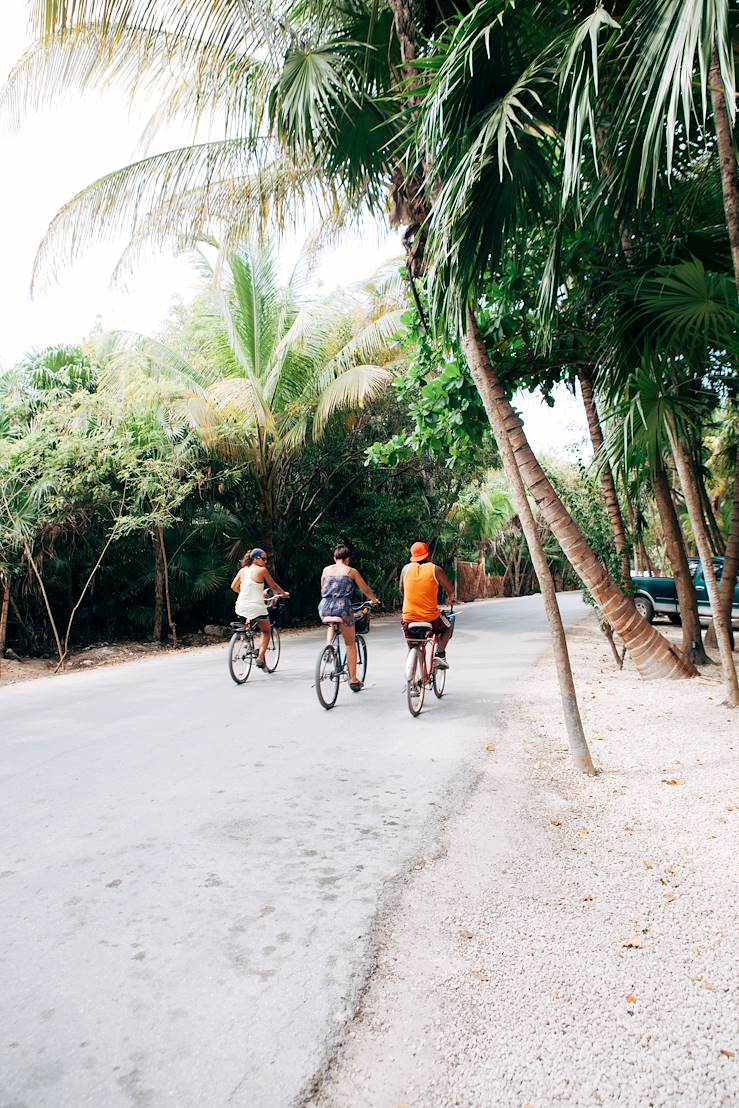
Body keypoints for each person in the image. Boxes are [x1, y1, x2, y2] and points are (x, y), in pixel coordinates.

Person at [319, 544, 379, 692]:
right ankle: (353, 679)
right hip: (343, 608)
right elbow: (365, 589)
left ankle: (329, 647)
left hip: (324, 607)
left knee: (332, 623)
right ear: (347, 559)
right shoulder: (351, 571)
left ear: (334, 558)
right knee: (350, 643)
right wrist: (374, 600)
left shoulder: (326, 570)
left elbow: (322, 588)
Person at [400, 541, 456, 669]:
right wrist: (451, 598)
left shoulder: (405, 569)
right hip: (431, 618)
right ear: (428, 555)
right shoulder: (435, 569)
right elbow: (450, 590)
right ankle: (440, 654)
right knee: (448, 625)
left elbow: (402, 589)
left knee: (413, 644)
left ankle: (414, 678)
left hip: (408, 619)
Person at [230, 549, 290, 669]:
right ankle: (260, 657)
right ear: (256, 558)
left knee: (249, 615)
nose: (265, 562)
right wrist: (283, 593)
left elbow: (233, 586)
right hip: (256, 607)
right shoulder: (262, 570)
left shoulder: (242, 571)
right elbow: (273, 586)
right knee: (266, 631)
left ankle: (246, 634)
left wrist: (245, 593)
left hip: (240, 606)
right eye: (263, 559)